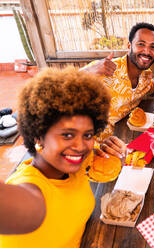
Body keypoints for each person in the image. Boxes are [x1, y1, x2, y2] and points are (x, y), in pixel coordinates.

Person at [0, 67, 111, 247]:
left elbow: (102, 156)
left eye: (88, 135)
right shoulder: (32, 191)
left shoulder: (73, 163)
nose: (80, 146)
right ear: (38, 135)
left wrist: (113, 150)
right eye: (67, 135)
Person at [81, 22, 154, 157]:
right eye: (141, 44)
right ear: (129, 46)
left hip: (118, 144)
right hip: (85, 146)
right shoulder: (105, 69)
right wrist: (90, 69)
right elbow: (59, 87)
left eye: (152, 47)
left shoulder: (145, 77)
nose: (147, 51)